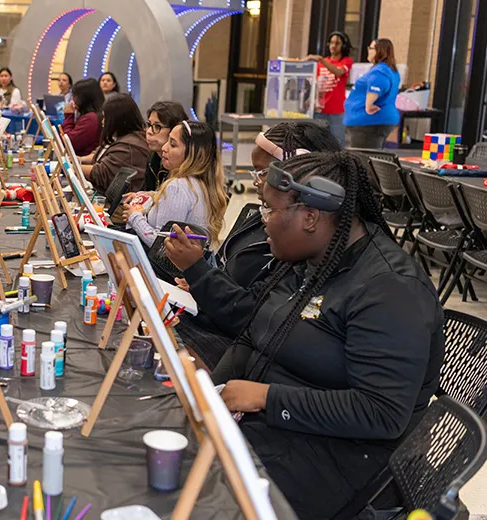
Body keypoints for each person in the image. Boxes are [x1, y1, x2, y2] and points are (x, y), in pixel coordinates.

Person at [163, 152, 443, 519]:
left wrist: (266, 397)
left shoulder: (390, 290)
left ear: (311, 217)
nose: (262, 222)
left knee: (193, 487)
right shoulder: (309, 262)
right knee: (172, 441)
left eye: (269, 210)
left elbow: (382, 413)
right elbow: (253, 335)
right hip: (284, 429)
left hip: (344, 459)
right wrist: (210, 397)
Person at [171, 122, 342, 367]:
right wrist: (203, 280)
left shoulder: (300, 244)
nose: (256, 182)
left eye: (262, 173)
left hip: (230, 339)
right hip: (217, 325)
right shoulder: (256, 216)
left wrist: (199, 272)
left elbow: (252, 314)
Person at [123, 121, 227, 247]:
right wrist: (151, 196)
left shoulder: (177, 187)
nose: (164, 148)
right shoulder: (203, 184)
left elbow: (161, 244)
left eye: (172, 144)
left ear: (191, 154)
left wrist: (134, 217)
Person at [78, 93, 149, 193]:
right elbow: (99, 156)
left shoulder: (129, 146)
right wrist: (79, 160)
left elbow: (100, 173)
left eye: (105, 117)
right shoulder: (123, 138)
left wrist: (72, 168)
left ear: (116, 119)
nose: (102, 122)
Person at [344, 38, 401, 149]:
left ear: (379, 51)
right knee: (371, 156)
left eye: (370, 48)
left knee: (363, 159)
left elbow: (378, 85)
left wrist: (369, 105)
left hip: (368, 123)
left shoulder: (380, 70)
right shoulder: (389, 69)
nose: (368, 51)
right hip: (372, 122)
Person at [305, 31, 353, 145]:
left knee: (337, 143)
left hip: (336, 111)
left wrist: (322, 60)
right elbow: (315, 84)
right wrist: (309, 99)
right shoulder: (321, 63)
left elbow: (339, 72)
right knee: (317, 143)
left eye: (337, 43)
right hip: (319, 109)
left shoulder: (346, 61)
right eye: (331, 42)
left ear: (343, 46)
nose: (333, 46)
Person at [142, 100, 188, 191]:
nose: (149, 132)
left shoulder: (182, 165)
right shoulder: (153, 158)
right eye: (149, 125)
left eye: (157, 126)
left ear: (175, 129)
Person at [61, 78, 104, 156]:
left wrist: (68, 116)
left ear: (84, 98)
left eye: (74, 96)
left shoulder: (91, 118)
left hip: (82, 163)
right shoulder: (92, 115)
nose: (72, 99)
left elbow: (69, 143)